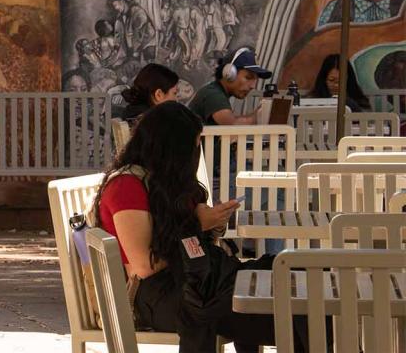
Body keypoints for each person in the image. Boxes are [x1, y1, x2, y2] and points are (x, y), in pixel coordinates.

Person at [93, 102, 296, 352]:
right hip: (155, 295)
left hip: (192, 280)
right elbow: (145, 266)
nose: (197, 150)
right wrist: (196, 224)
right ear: (173, 148)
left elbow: (192, 245)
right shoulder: (127, 186)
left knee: (288, 275)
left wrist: (213, 223)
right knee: (269, 306)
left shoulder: (166, 181)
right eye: (195, 142)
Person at [188, 47, 271, 125]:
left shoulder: (216, 91)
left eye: (255, 80)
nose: (252, 86)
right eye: (248, 77)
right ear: (230, 73)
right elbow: (232, 126)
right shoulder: (213, 95)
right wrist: (259, 115)